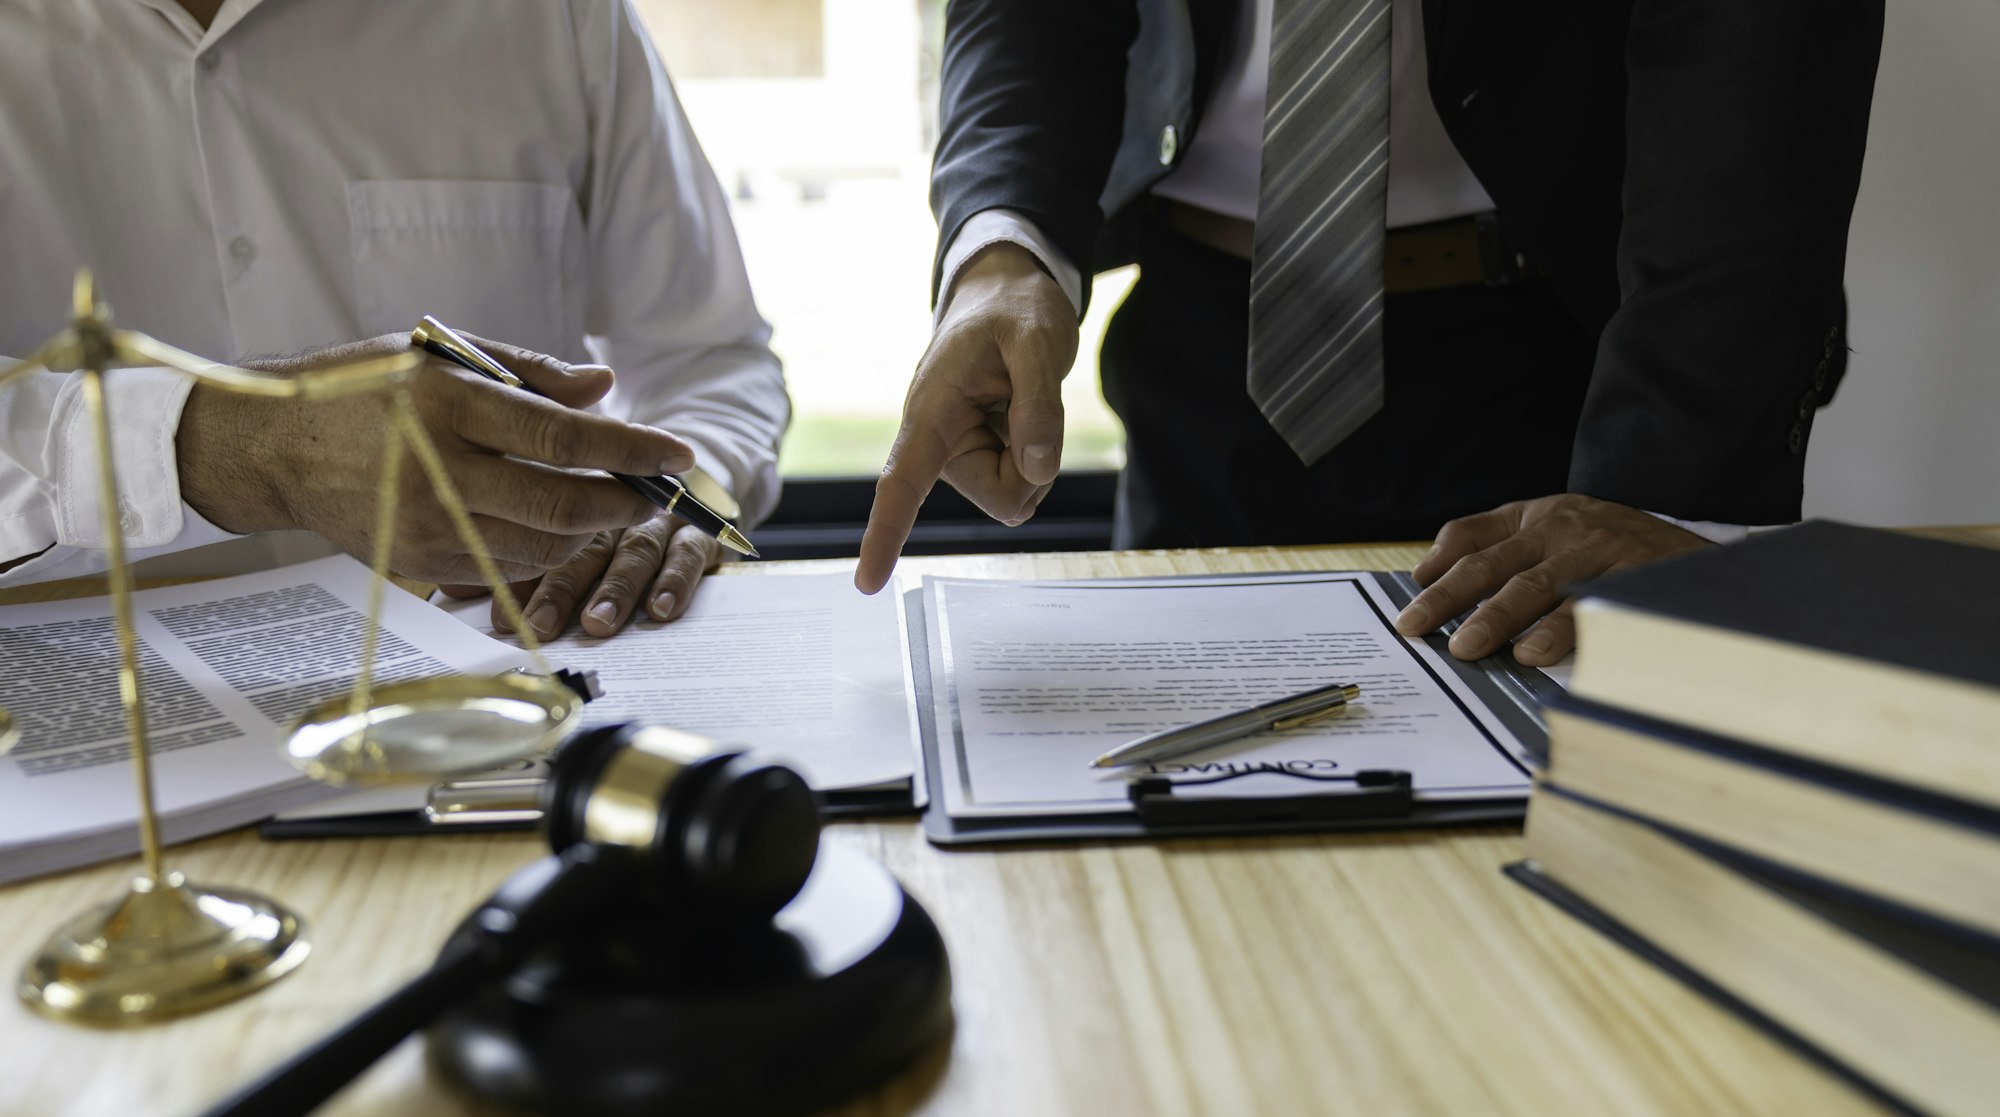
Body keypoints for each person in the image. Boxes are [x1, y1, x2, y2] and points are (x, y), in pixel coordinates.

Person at [857, 0, 1883, 664]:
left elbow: (1753, 70)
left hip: (1575, 364)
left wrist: (1670, 503)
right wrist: (1004, 256)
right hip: (1204, 346)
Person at [0, 0, 786, 640]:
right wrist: (250, 450)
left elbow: (709, 356)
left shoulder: (554, 17)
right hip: (94, 736)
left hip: (510, 693)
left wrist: (687, 495)